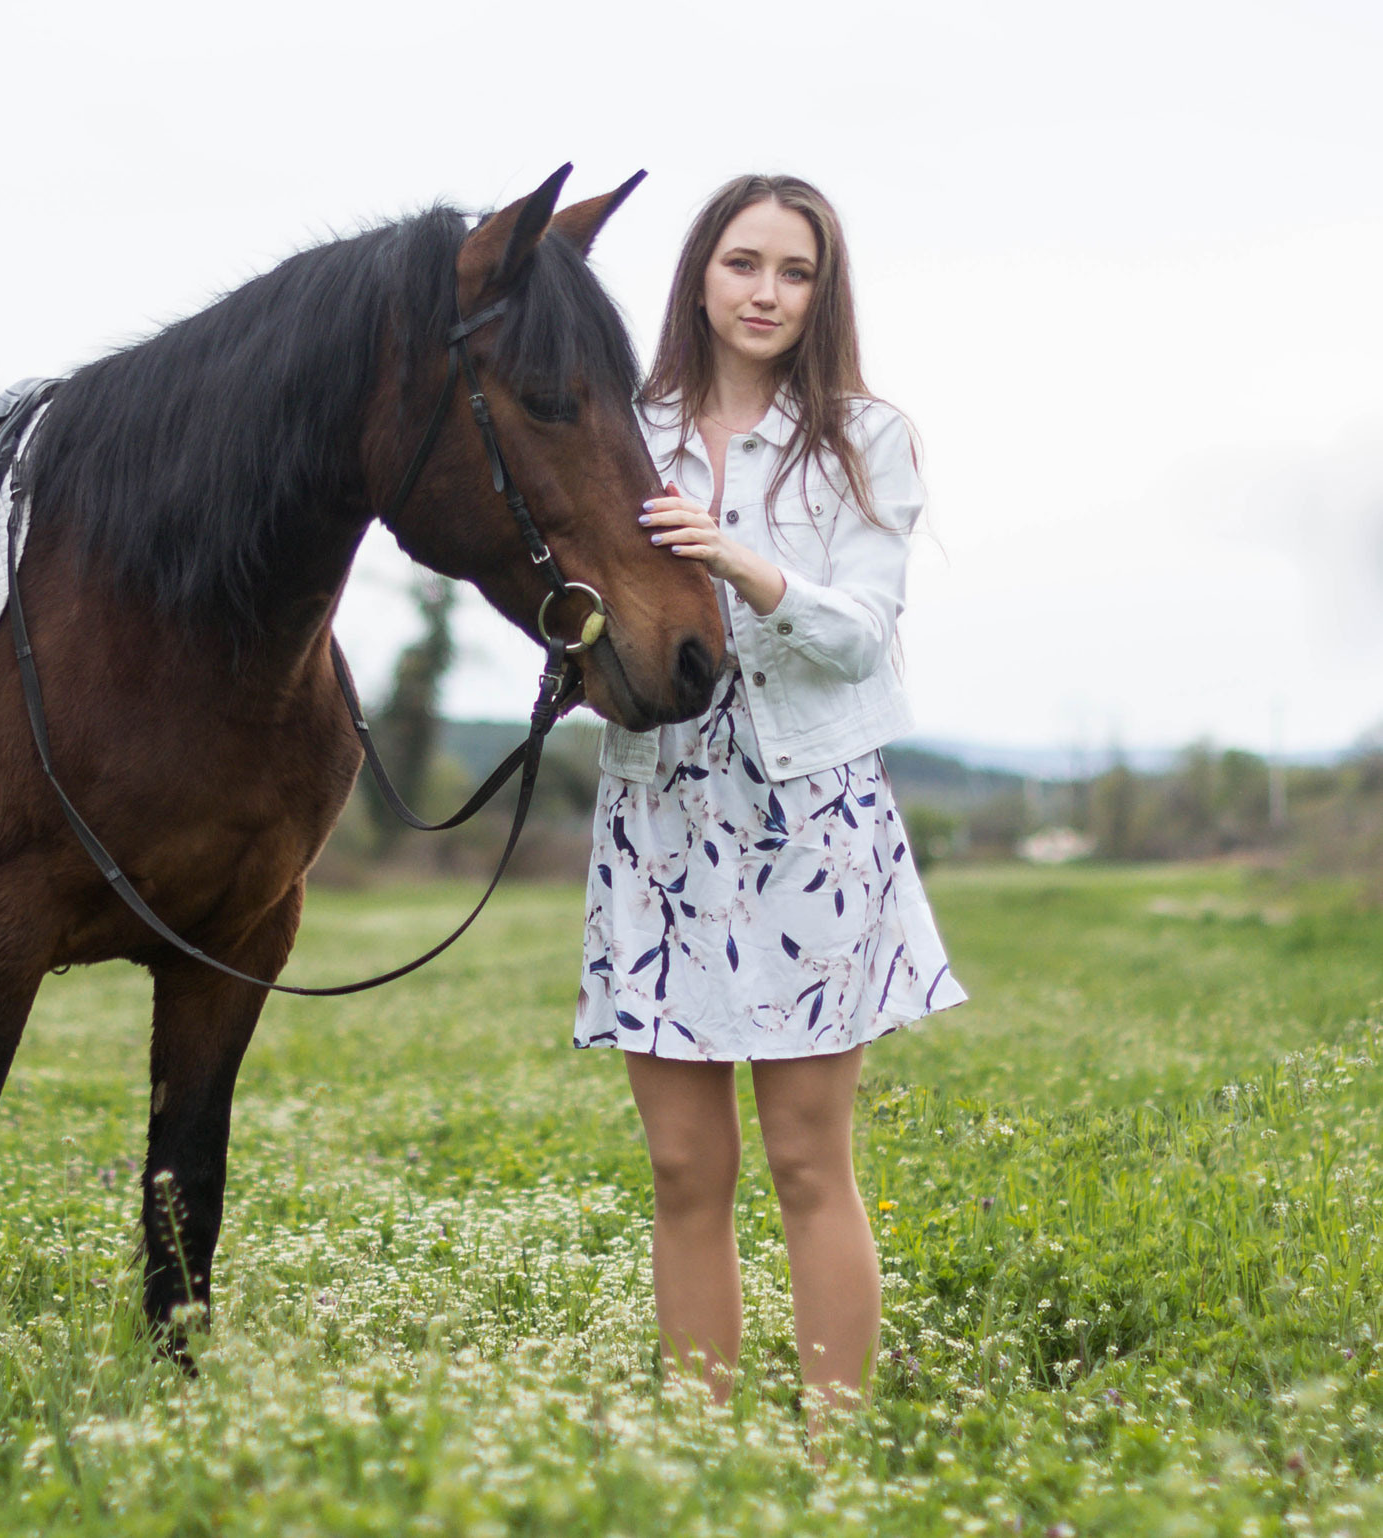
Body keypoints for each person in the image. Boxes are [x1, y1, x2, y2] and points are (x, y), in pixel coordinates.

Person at [575, 174, 968, 1430]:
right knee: (686, 1167)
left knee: (808, 1160)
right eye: (745, 263)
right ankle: (700, 1453)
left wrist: (744, 563)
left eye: (795, 273)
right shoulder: (623, 426)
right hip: (659, 817)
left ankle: (830, 1458)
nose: (767, 292)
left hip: (814, 821)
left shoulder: (866, 438)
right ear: (701, 274)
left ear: (822, 294)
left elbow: (863, 633)